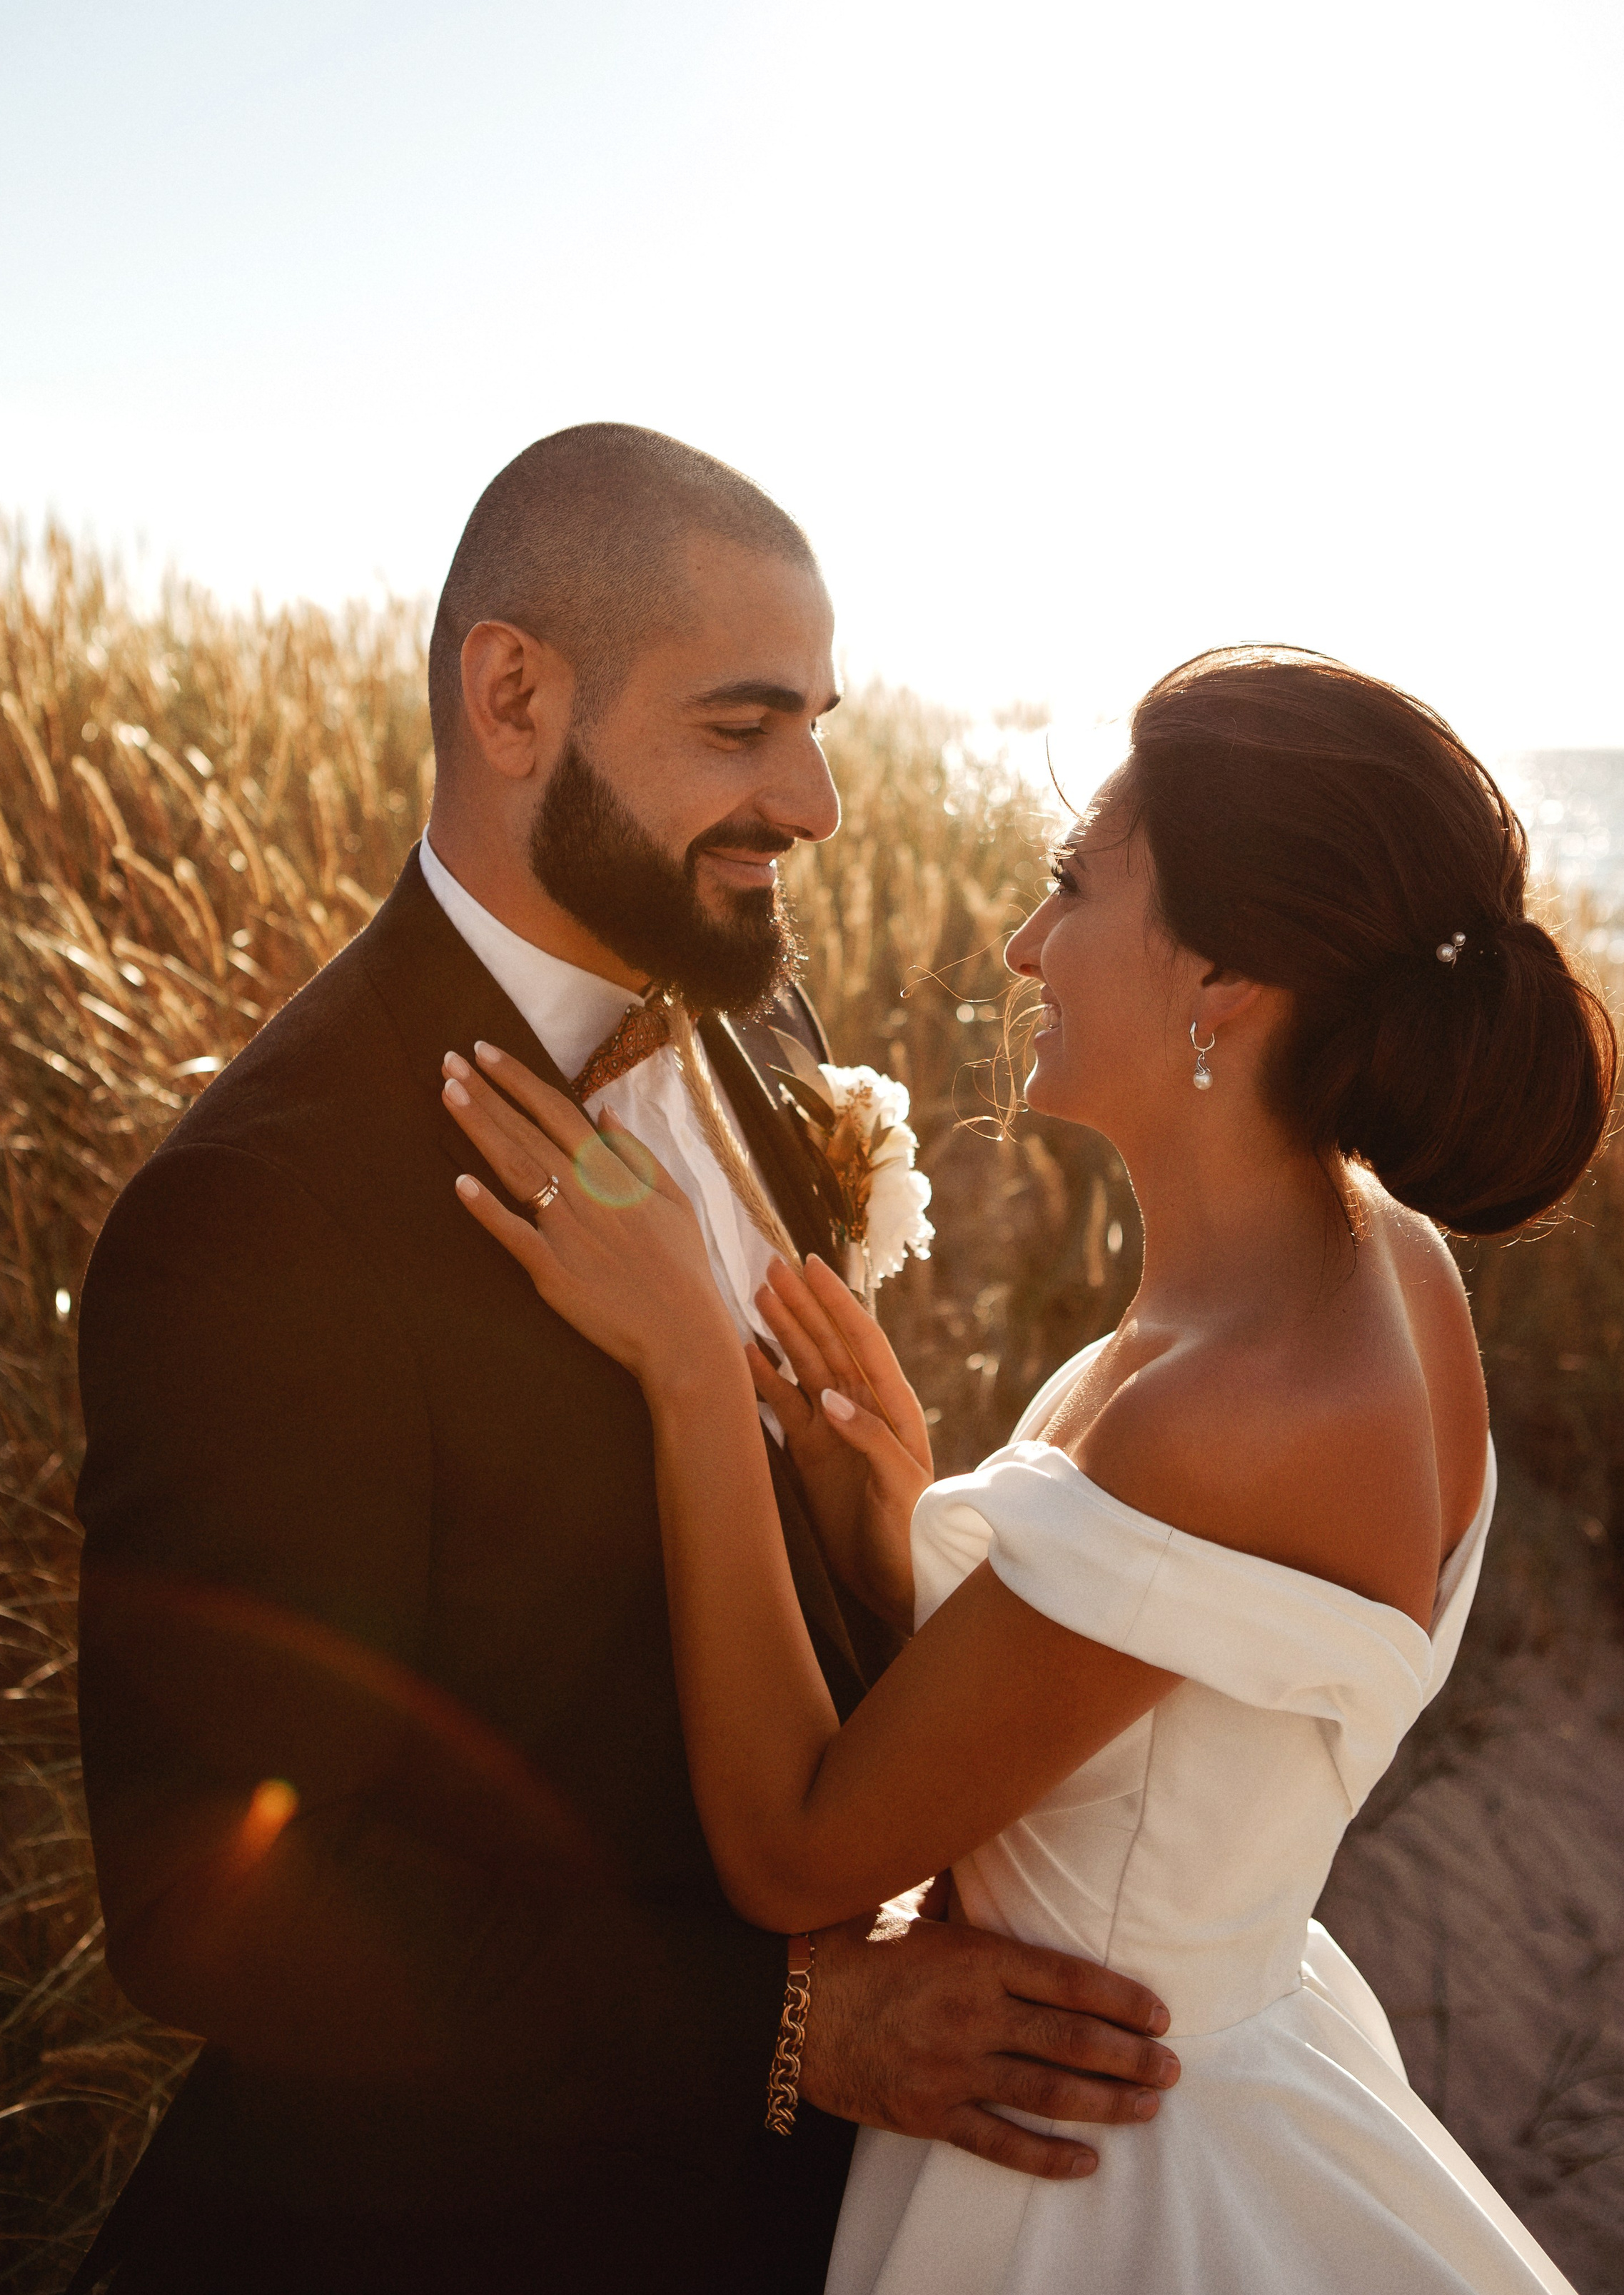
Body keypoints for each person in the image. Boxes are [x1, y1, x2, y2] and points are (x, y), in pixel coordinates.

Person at [67, 425, 1176, 2295]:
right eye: (743, 729)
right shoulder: (265, 1216)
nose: (816, 801)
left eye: (817, 724)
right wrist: (795, 2025)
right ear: (514, 698)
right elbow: (213, 1903)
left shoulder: (746, 1007)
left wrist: (886, 1536)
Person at [440, 645, 1615, 2294]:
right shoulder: (1378, 1272)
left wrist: (691, 1372)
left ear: (1226, 979)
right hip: (1218, 2056)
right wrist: (893, 1533)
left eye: (1072, 884)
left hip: (1106, 2183)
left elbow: (794, 1851)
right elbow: (1125, 1718)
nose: (1020, 944)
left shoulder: (1237, 1400)